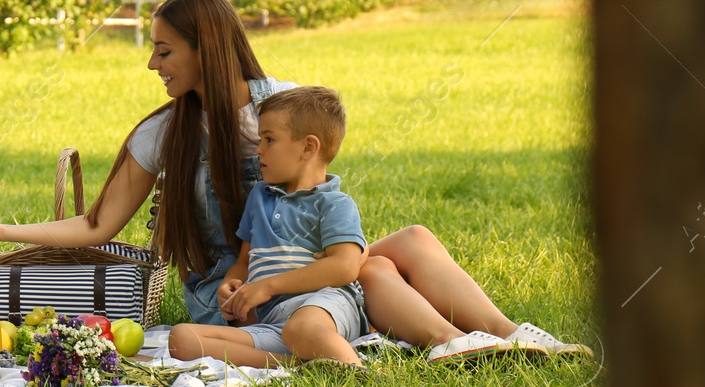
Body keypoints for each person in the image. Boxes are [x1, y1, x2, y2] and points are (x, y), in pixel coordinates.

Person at [0, 0, 589, 360]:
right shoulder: (164, 132)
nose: (153, 65)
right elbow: (100, 222)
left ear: (204, 48)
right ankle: (452, 344)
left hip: (308, 275)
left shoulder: (286, 106)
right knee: (378, 268)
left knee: (405, 243)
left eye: (164, 50)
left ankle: (509, 339)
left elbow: (320, 204)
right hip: (235, 294)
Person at [168, 86, 516, 370]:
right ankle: (300, 365)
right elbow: (246, 258)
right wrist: (236, 283)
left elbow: (347, 267)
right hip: (274, 324)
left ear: (308, 147)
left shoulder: (333, 204)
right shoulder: (260, 197)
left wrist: (268, 286)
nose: (259, 149)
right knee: (183, 338)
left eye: (268, 140)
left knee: (304, 328)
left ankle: (359, 377)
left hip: (325, 305)